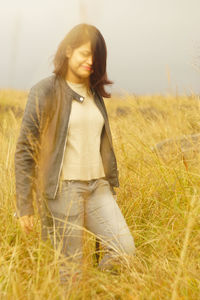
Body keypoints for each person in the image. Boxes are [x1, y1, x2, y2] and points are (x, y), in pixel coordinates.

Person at [14, 23, 135, 284]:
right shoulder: (45, 91)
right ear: (68, 51)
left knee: (124, 249)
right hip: (64, 191)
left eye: (96, 57)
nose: (91, 61)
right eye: (85, 54)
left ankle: (97, 287)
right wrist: (25, 206)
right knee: (71, 273)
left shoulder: (94, 94)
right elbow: (25, 150)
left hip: (98, 188)